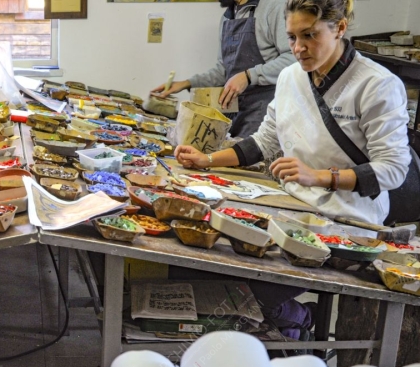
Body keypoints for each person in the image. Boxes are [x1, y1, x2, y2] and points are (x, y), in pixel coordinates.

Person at [173, 0, 416, 338]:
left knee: (249, 290)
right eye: (291, 38)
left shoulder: (376, 85)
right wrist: (208, 160)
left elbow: (393, 170)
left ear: (340, 28)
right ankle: (276, 325)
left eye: (310, 36)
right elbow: (264, 141)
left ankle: (294, 319)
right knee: (201, 260)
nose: (299, 48)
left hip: (348, 221)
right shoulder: (290, 77)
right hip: (292, 207)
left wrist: (318, 176)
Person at [151, 0, 296, 138]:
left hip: (265, 109)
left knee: (250, 160)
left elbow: (293, 58)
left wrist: (249, 76)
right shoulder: (228, 17)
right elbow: (223, 70)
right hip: (233, 109)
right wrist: (186, 83)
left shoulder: (273, 7)